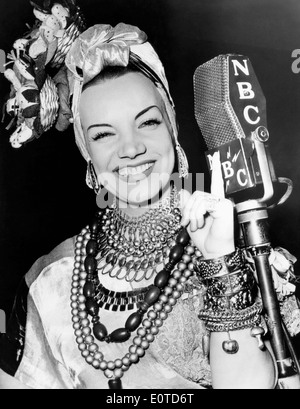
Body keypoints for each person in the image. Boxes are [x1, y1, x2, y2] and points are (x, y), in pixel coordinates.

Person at [0, 2, 298, 390]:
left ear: (172, 130)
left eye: (148, 122)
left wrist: (219, 262)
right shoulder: (52, 280)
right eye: (104, 134)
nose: (131, 148)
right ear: (86, 151)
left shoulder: (240, 249)